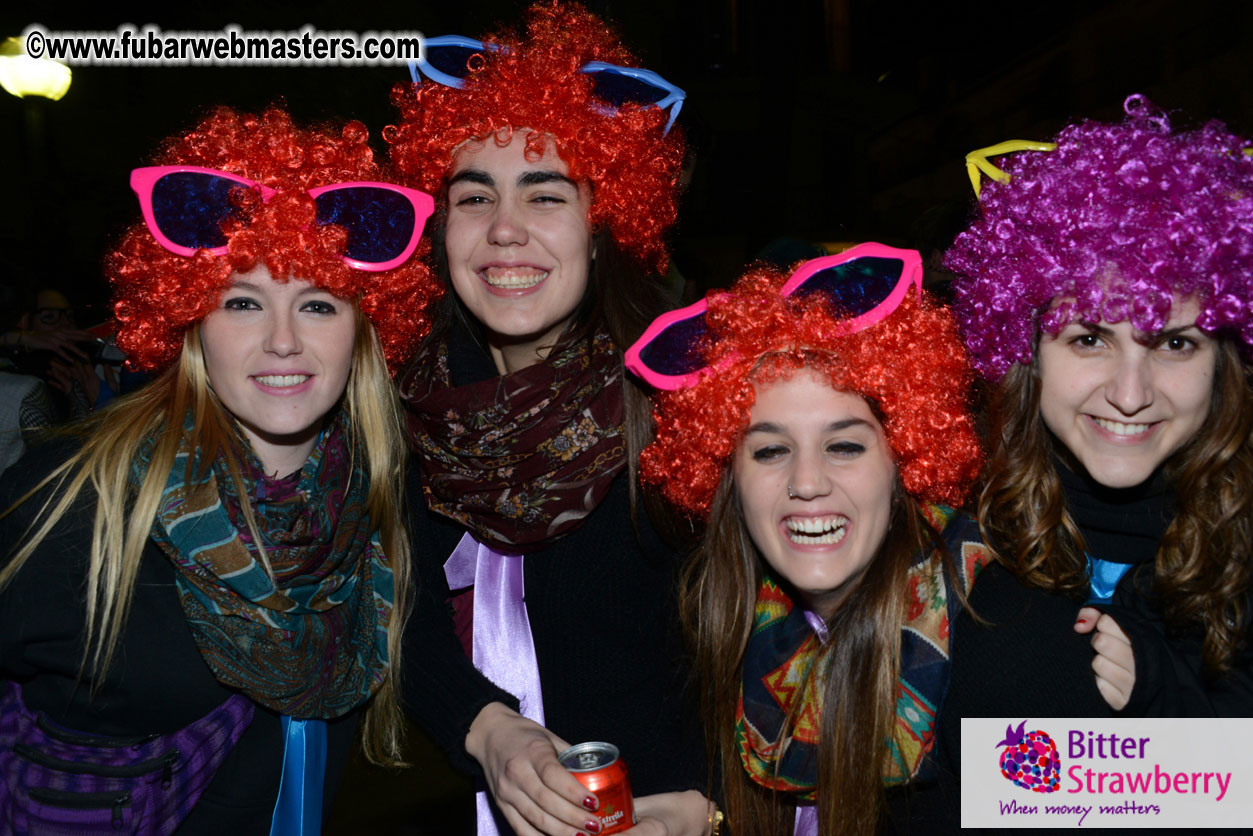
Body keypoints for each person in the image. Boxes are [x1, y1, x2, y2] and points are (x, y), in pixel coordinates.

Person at [0, 106, 440, 835]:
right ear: (190, 321)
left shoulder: (373, 504)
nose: (282, 341)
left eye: (318, 304)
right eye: (242, 302)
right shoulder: (77, 500)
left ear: (365, 331)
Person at [386, 4, 710, 835]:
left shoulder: (687, 406)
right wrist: (486, 729)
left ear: (603, 225)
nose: (503, 230)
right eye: (472, 195)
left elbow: (789, 645)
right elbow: (399, 617)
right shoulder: (401, 407)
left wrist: (708, 806)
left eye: (545, 193)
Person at [628, 244, 989, 835]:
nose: (806, 483)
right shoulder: (725, 628)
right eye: (770, 450)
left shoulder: (993, 629)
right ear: (728, 477)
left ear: (904, 462)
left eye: (844, 445)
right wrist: (708, 814)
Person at [941, 94, 1253, 731]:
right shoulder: (948, 542)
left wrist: (1182, 712)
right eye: (1089, 338)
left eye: (1174, 343)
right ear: (1026, 349)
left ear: (1223, 362)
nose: (1131, 394)